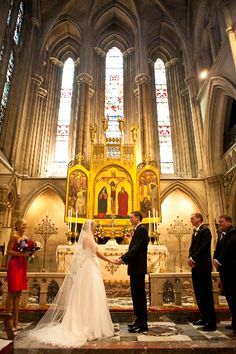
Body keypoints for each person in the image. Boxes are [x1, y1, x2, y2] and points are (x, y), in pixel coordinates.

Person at [17, 219, 115, 347]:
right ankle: (88, 325)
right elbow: (95, 253)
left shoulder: (87, 237)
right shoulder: (88, 238)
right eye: (95, 227)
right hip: (89, 267)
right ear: (90, 227)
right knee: (89, 294)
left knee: (90, 295)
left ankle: (91, 322)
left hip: (90, 266)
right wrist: (110, 260)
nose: (96, 229)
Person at [114, 211, 149, 333]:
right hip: (135, 267)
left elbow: (136, 248)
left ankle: (143, 323)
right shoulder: (138, 230)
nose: (130, 219)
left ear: (138, 218)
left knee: (139, 295)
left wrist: (123, 259)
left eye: (131, 217)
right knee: (136, 295)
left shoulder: (142, 230)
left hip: (138, 268)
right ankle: (138, 320)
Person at [188, 212, 216, 331]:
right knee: (199, 293)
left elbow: (204, 247)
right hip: (196, 267)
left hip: (203, 267)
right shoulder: (195, 231)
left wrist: (193, 258)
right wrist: (190, 258)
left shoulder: (205, 230)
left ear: (199, 219)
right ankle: (204, 317)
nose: (191, 220)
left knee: (206, 294)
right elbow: (193, 248)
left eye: (192, 218)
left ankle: (211, 321)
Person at [213, 215, 236, 335]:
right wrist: (215, 259)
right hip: (225, 271)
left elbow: (228, 248)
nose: (220, 224)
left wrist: (219, 260)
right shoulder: (222, 234)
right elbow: (217, 249)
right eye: (219, 222)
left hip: (232, 270)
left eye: (221, 222)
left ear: (229, 221)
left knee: (234, 297)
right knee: (229, 297)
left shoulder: (233, 233)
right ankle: (234, 322)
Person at [5, 219, 30, 331]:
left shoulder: (24, 238)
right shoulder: (14, 236)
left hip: (22, 265)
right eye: (24, 225)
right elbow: (8, 251)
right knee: (12, 292)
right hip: (14, 265)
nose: (25, 226)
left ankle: (16, 322)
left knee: (19, 293)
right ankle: (8, 322)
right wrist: (21, 254)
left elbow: (26, 250)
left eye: (26, 225)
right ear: (18, 226)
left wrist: (30, 252)